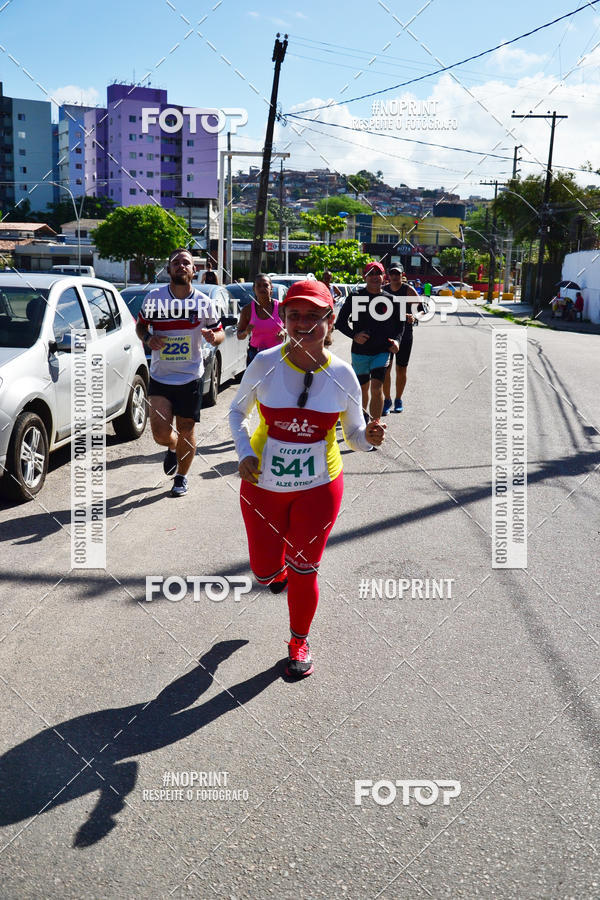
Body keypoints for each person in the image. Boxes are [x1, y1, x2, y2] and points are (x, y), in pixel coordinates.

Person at [229, 280, 385, 678]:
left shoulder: (345, 376)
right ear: (283, 319)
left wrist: (367, 439)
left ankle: (299, 640)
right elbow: (236, 411)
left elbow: (353, 436)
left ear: (330, 322)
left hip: (319, 488)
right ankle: (275, 572)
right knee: (264, 572)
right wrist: (245, 452)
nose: (303, 323)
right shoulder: (264, 363)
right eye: (294, 315)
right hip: (262, 485)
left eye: (313, 316)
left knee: (305, 568)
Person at [136, 248, 225, 497]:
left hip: (190, 376)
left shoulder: (204, 303)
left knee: (187, 428)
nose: (181, 266)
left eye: (186, 262)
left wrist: (212, 336)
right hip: (161, 377)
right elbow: (141, 327)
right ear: (168, 270)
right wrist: (148, 339)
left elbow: (219, 334)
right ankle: (172, 446)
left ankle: (181, 477)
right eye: (176, 262)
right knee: (160, 434)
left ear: (194, 270)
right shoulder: (154, 298)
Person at [335, 260, 403, 421]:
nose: (374, 277)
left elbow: (400, 325)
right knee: (362, 388)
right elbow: (340, 323)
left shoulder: (391, 299)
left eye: (377, 273)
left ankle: (374, 425)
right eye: (370, 274)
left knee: (376, 387)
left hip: (382, 350)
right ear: (364, 277)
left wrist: (397, 342)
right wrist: (354, 336)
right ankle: (362, 420)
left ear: (383, 276)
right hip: (360, 351)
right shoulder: (355, 297)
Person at [382, 267, 420, 414]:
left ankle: (398, 399)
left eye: (397, 273)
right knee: (386, 369)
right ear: (388, 275)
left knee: (401, 368)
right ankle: (387, 400)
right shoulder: (383, 290)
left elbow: (422, 309)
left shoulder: (408, 290)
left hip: (405, 334)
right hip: (387, 334)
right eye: (392, 273)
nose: (395, 276)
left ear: (402, 275)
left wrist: (414, 317)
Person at [236, 273, 285, 364]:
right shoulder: (248, 310)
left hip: (277, 353)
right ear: (254, 289)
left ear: (271, 288)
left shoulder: (280, 307)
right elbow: (239, 335)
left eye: (266, 285)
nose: (262, 288)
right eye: (259, 286)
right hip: (255, 355)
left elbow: (291, 328)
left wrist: (284, 332)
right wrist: (246, 331)